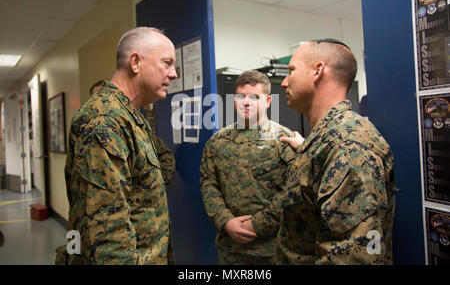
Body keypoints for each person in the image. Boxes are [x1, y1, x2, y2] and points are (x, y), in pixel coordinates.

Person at [56, 27, 178, 265]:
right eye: (167, 63)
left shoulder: (127, 116)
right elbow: (106, 232)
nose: (173, 74)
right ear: (135, 62)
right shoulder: (105, 120)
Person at [276, 38, 395, 265]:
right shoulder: (326, 141)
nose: (284, 82)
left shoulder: (347, 146)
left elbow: (352, 257)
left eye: (291, 71)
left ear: (318, 70)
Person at [200, 70, 296, 265]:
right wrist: (225, 221)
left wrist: (256, 225)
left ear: (268, 101)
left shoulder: (285, 140)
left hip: (273, 249)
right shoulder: (218, 142)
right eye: (240, 97)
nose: (246, 102)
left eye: (254, 97)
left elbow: (292, 191)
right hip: (231, 248)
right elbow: (209, 184)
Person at [90, 81, 176, 186]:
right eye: (100, 98)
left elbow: (165, 155)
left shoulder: (133, 129)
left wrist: (155, 184)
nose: (105, 102)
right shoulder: (87, 130)